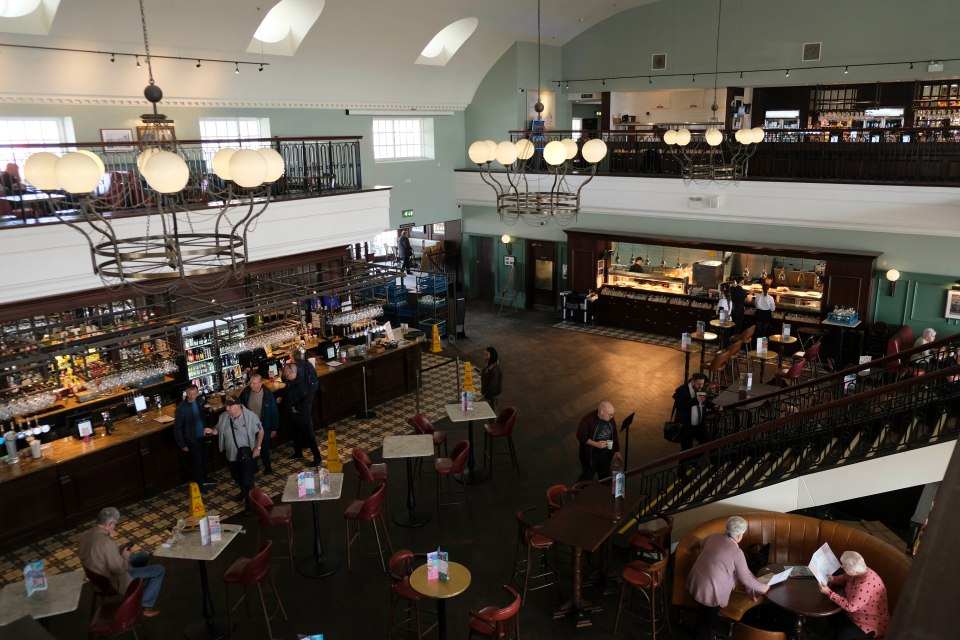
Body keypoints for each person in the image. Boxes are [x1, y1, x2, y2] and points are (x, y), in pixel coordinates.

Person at [686, 515, 770, 640]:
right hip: (711, 590)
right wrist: (764, 587)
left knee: (703, 616)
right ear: (739, 535)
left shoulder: (714, 536)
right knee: (706, 621)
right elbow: (745, 578)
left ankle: (705, 634)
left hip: (696, 580)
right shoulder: (737, 553)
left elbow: (701, 543)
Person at [77, 507, 165, 618]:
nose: (114, 528)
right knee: (159, 570)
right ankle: (144, 605)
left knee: (143, 556)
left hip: (97, 576)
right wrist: (125, 558)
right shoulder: (106, 542)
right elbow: (120, 568)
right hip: (112, 581)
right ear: (110, 524)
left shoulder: (84, 536)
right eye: (115, 525)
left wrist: (118, 554)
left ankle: (140, 590)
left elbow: (99, 555)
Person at [205, 397, 263, 513]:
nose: (227, 408)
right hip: (232, 455)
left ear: (238, 406)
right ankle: (243, 491)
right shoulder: (224, 417)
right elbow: (218, 429)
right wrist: (212, 431)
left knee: (247, 480)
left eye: (230, 406)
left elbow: (261, 431)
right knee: (236, 476)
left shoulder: (250, 416)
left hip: (247, 454)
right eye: (226, 406)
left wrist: (258, 447)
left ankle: (250, 505)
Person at [818, 550, 890, 639]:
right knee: (829, 612)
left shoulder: (865, 586)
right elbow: (845, 577)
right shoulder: (861, 571)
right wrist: (833, 579)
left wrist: (829, 592)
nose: (842, 566)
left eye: (844, 565)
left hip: (868, 622)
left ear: (854, 571)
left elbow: (850, 606)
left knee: (842, 635)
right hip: (854, 613)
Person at [172, 385, 214, 491]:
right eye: (189, 394)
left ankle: (205, 479)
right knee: (197, 461)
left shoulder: (199, 400)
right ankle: (200, 484)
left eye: (194, 394)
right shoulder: (181, 408)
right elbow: (177, 428)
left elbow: (205, 407)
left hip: (203, 435)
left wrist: (209, 408)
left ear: (197, 393)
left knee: (204, 458)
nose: (191, 396)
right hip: (192, 438)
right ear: (186, 394)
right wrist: (182, 444)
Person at [281, 362, 322, 464]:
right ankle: (298, 453)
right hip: (292, 414)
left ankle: (317, 457)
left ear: (291, 372)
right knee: (295, 435)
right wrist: (281, 398)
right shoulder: (290, 381)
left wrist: (297, 408)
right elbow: (289, 394)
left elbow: (307, 399)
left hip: (302, 415)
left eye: (285, 371)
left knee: (309, 438)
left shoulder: (301, 384)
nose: (284, 373)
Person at [239, 373, 279, 474]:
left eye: (254, 383)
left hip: (263, 425)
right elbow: (240, 404)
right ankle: (254, 468)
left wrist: (274, 428)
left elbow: (274, 412)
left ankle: (268, 468)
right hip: (249, 426)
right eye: (250, 383)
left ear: (260, 383)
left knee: (264, 448)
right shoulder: (246, 392)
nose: (252, 385)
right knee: (251, 447)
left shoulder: (267, 394)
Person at [576, 401, 621, 481]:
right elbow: (580, 436)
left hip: (605, 457)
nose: (612, 417)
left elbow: (614, 433)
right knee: (586, 479)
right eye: (610, 414)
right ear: (602, 412)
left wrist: (616, 450)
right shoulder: (588, 420)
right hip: (590, 458)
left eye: (613, 414)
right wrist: (596, 444)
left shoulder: (610, 419)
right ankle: (577, 492)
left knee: (606, 479)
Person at [672, 373, 716, 452]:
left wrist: (714, 406)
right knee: (686, 450)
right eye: (698, 384)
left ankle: (693, 461)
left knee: (707, 446)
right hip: (686, 426)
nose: (701, 386)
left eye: (702, 384)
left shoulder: (701, 388)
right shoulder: (681, 390)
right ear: (692, 381)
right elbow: (680, 406)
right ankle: (685, 464)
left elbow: (705, 401)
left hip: (700, 425)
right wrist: (695, 400)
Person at [480, 346, 502, 412]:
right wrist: (483, 372)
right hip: (489, 393)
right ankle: (491, 422)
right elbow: (487, 371)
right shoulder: (489, 363)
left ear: (492, 356)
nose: (484, 356)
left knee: (493, 412)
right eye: (484, 354)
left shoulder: (494, 370)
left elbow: (493, 385)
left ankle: (494, 422)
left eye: (486, 355)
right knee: (489, 411)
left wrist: (487, 397)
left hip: (493, 394)